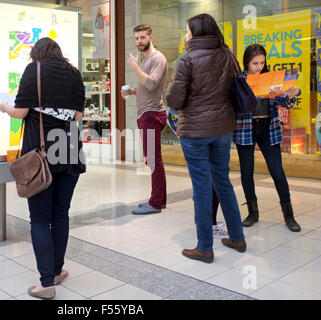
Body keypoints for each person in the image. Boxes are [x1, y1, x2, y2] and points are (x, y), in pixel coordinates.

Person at [0, 38, 85, 299]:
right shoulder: (74, 74)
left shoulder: (33, 70)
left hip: (41, 151)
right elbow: (78, 117)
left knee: (39, 219)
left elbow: (21, 112)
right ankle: (57, 271)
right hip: (69, 150)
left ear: (36, 53)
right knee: (61, 214)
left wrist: (4, 107)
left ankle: (46, 283)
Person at [166, 14, 246, 263]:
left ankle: (204, 248)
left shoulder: (186, 60)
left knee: (201, 188)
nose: (185, 34)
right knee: (223, 181)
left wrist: (170, 94)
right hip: (223, 128)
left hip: (196, 132)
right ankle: (237, 238)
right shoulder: (227, 55)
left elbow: (175, 100)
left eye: (187, 30)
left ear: (197, 33)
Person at [234, 44, 301, 232]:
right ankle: (252, 213)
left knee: (277, 172)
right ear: (247, 61)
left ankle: (289, 216)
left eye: (262, 62)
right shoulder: (239, 79)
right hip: (245, 128)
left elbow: (282, 102)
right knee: (247, 173)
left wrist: (289, 95)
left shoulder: (270, 77)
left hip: (268, 127)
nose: (259, 66)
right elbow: (234, 104)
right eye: (255, 63)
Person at [122, 24, 168, 215]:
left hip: (151, 114)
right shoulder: (148, 59)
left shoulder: (158, 58)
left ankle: (156, 203)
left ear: (151, 36)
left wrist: (134, 67)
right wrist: (132, 91)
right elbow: (146, 86)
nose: (139, 41)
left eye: (142, 37)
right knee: (153, 159)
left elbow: (150, 83)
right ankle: (159, 199)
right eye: (137, 38)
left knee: (153, 160)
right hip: (147, 113)